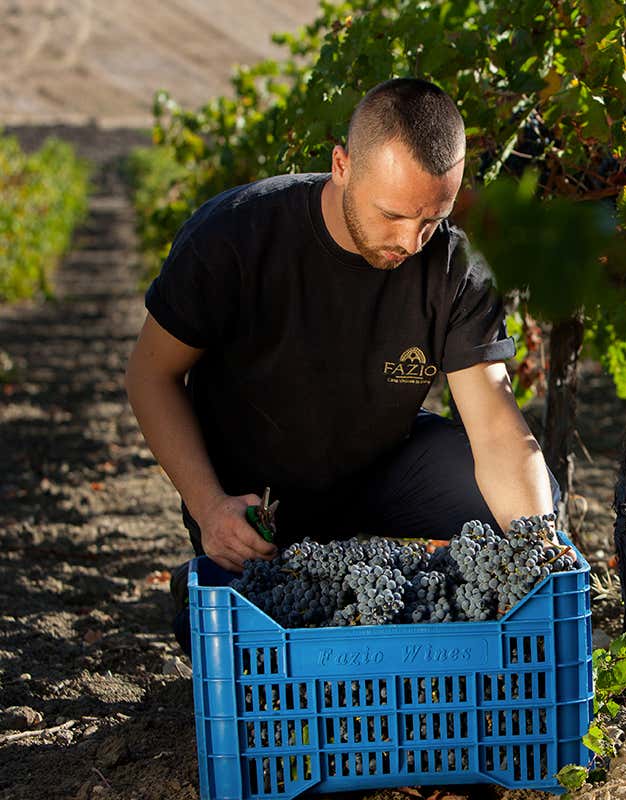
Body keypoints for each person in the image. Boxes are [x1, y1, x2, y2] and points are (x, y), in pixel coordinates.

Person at [123, 77, 560, 651]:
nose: (411, 241)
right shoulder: (235, 238)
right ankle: (203, 581)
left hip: (380, 470)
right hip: (260, 498)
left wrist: (541, 557)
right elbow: (149, 376)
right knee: (234, 644)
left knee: (532, 509)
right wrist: (210, 507)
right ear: (342, 165)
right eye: (394, 215)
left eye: (432, 219)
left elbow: (499, 430)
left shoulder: (453, 269)